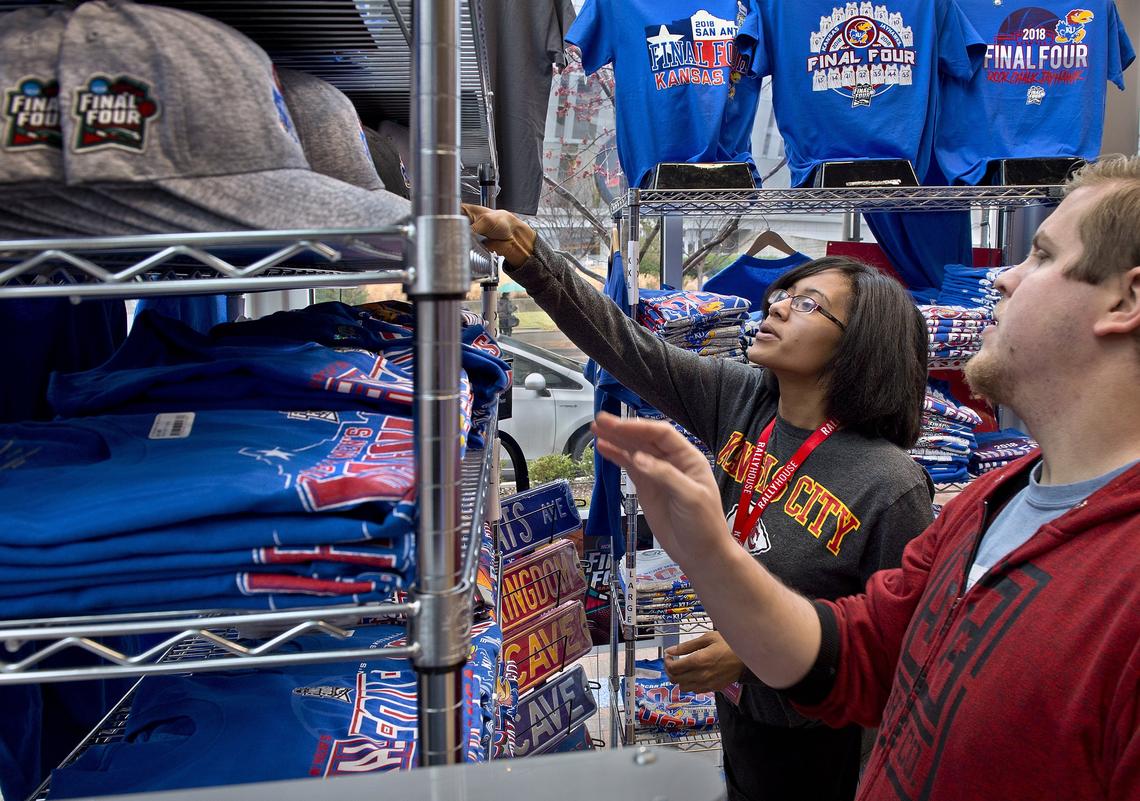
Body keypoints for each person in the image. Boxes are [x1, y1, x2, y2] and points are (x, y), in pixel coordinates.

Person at [589, 155, 1140, 801]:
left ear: (1125, 300)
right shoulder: (990, 502)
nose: (1003, 275)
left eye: (1041, 255)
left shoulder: (906, 488)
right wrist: (708, 551)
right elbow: (867, 649)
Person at [466, 205, 934, 801]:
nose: (777, 307)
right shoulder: (743, 401)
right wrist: (530, 255)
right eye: (784, 295)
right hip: (742, 714)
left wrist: (756, 654)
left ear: (859, 345)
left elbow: (898, 649)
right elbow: (626, 346)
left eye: (809, 304)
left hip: (825, 743)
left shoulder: (890, 484)